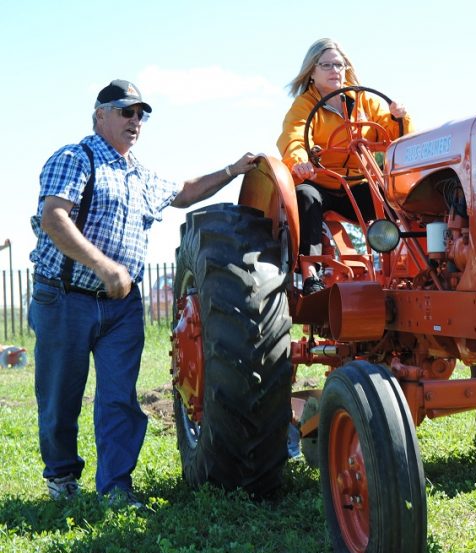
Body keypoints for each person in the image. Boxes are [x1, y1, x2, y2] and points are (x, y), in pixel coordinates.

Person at [28, 79, 257, 507]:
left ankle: (115, 487)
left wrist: (232, 170)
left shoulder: (138, 174)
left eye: (141, 114)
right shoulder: (74, 158)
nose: (136, 121)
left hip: (121, 307)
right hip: (64, 297)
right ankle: (61, 476)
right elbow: (54, 219)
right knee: (60, 397)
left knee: (119, 397)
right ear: (100, 116)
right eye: (126, 111)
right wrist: (104, 266)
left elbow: (185, 192)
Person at [276, 38, 411, 294]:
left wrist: (398, 117)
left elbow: (392, 134)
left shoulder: (363, 101)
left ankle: (403, 270)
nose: (334, 70)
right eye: (326, 65)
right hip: (322, 183)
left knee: (396, 198)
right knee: (306, 197)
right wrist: (300, 162)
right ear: (312, 72)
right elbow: (293, 138)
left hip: (357, 184)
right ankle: (311, 276)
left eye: (338, 65)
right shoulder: (304, 106)